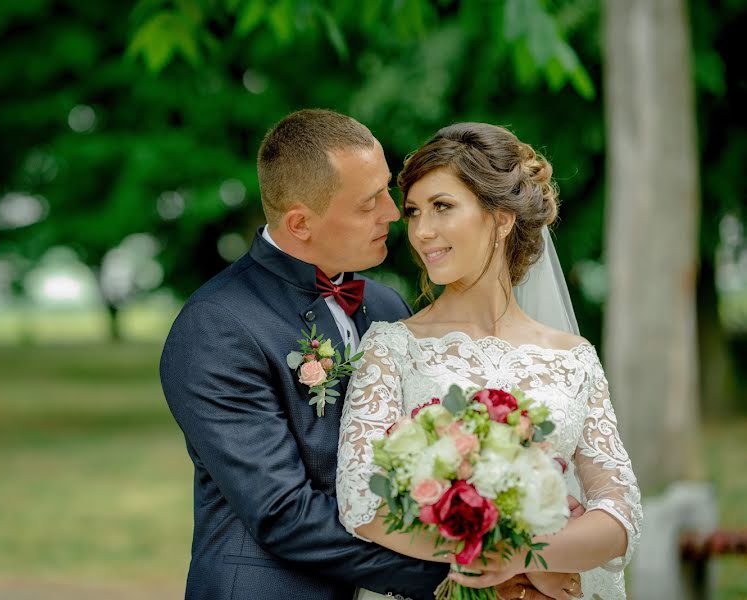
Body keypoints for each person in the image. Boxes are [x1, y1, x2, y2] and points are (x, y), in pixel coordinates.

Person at [160, 110, 574, 599]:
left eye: (386, 190)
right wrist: (466, 572)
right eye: (368, 203)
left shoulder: (383, 307)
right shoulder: (217, 326)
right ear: (300, 223)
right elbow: (283, 513)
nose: (394, 214)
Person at [336, 122, 643, 600]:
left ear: (501, 219)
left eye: (442, 207)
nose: (421, 231)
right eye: (414, 212)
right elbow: (361, 504)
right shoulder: (391, 348)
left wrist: (526, 557)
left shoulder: (573, 358)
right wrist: (486, 558)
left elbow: (620, 512)